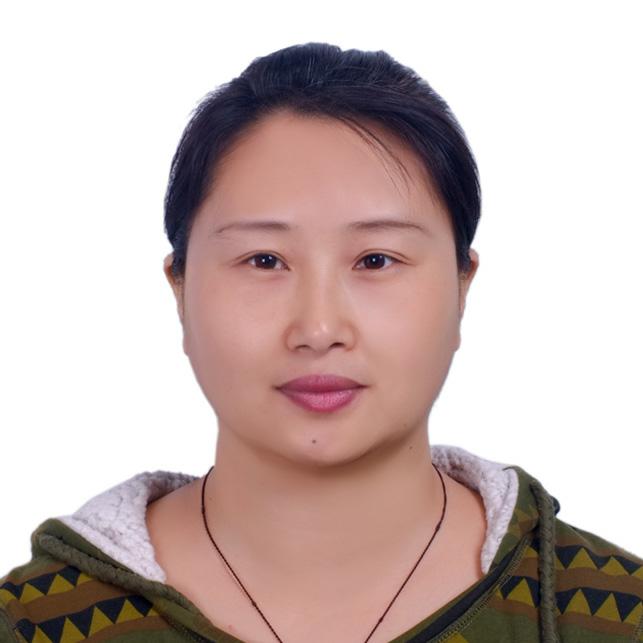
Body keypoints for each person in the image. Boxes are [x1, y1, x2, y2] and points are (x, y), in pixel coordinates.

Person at [1, 42, 641, 643]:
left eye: (376, 260)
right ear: (181, 289)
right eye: (264, 261)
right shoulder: (32, 623)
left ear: (461, 286)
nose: (318, 329)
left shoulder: (614, 614)